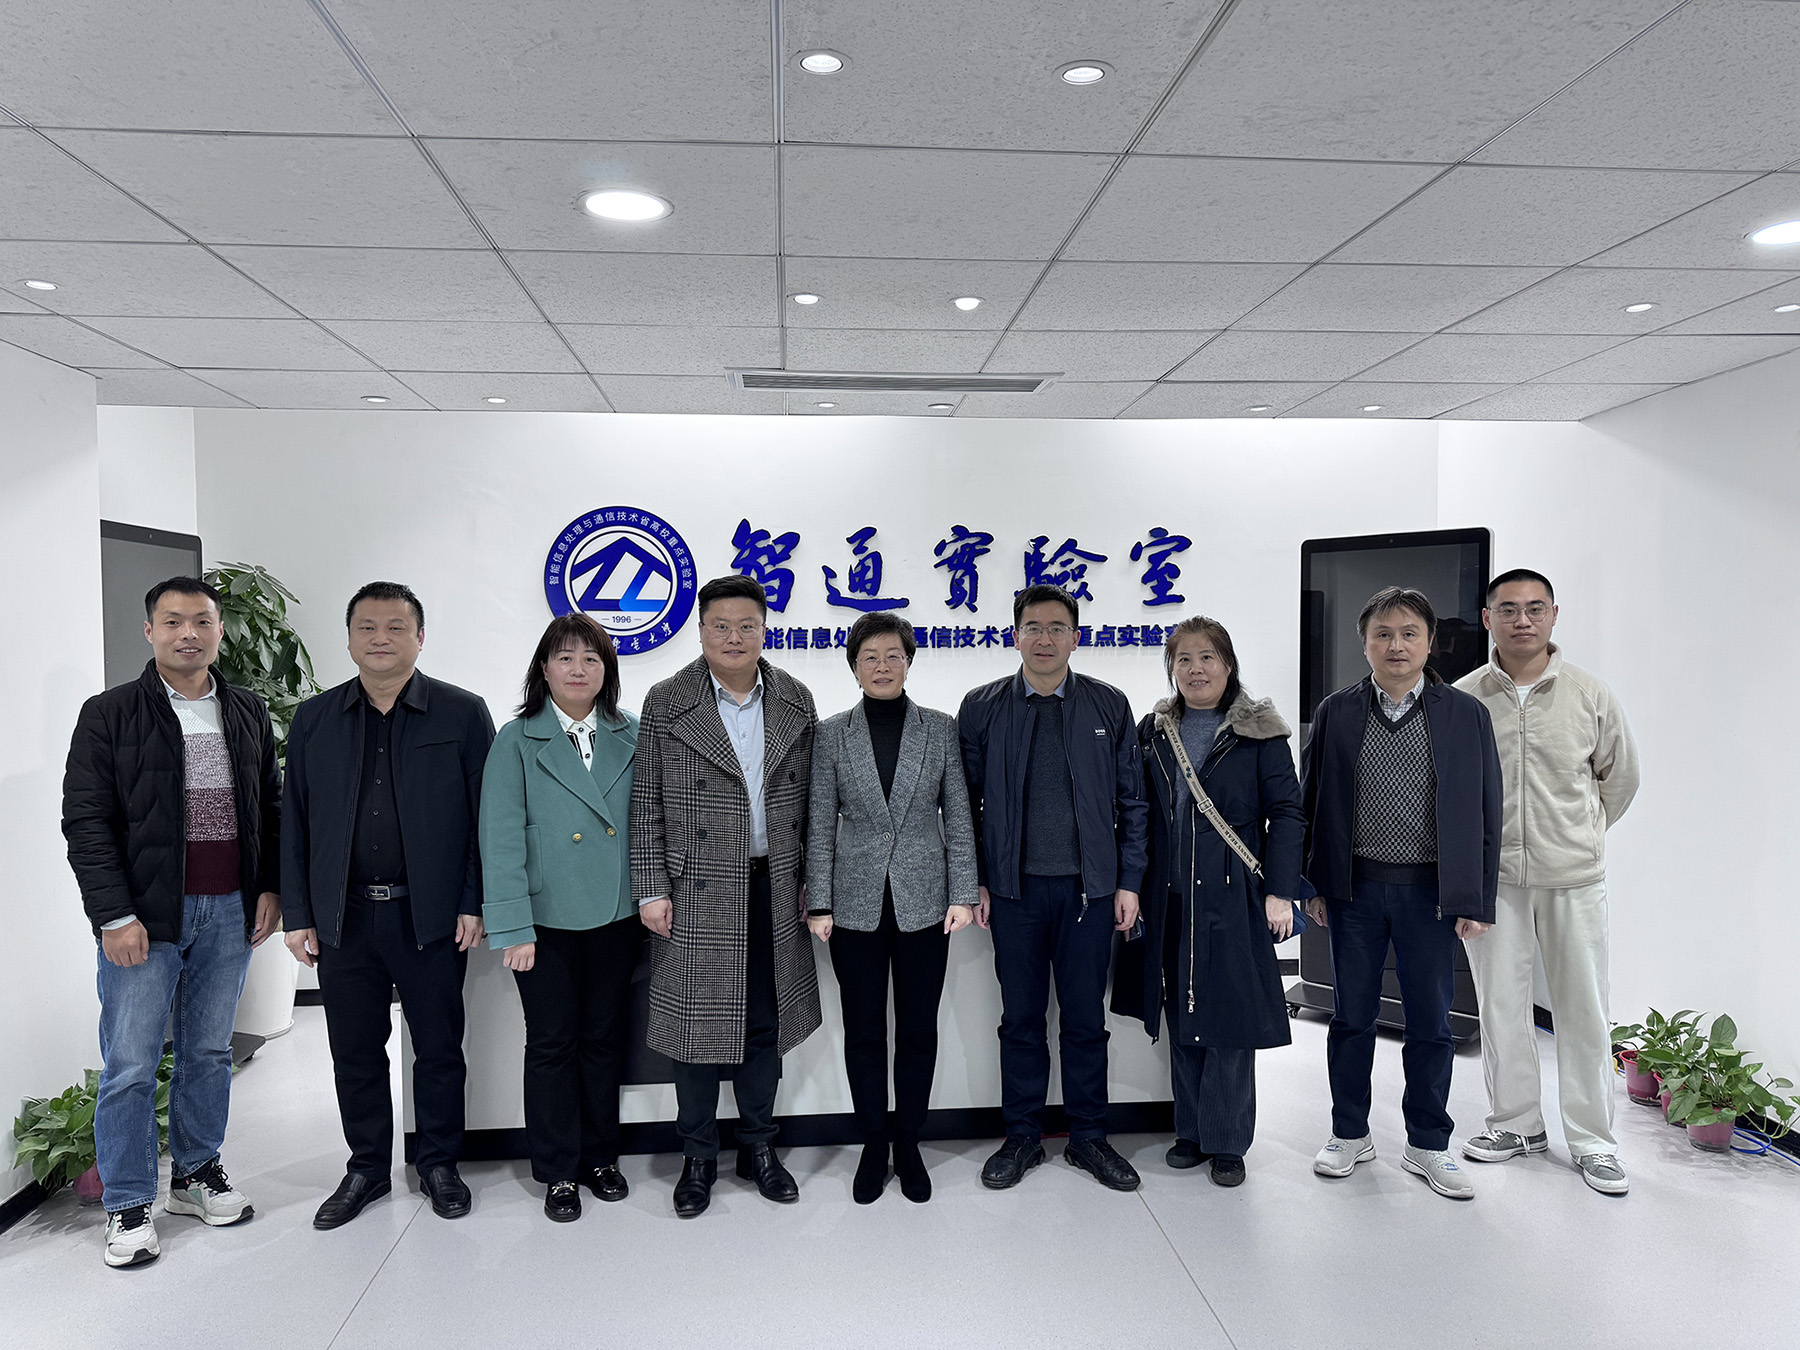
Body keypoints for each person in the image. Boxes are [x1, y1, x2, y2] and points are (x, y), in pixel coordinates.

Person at [62, 576, 283, 1268]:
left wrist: (270, 887)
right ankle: (128, 1203)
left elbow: (270, 805)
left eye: (202, 621)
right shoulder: (110, 714)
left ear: (218, 631)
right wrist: (114, 914)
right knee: (131, 1063)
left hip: (230, 909)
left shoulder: (245, 710)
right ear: (150, 631)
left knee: (209, 1051)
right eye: (174, 621)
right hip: (144, 918)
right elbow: (86, 822)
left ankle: (195, 1174)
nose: (189, 633)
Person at [281, 582, 496, 1229]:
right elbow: (294, 821)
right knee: (354, 1051)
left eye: (396, 627)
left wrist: (474, 900)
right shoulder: (315, 719)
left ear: (419, 638)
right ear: (349, 639)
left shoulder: (462, 713)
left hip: (430, 915)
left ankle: (439, 1163)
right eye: (368, 627)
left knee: (438, 1047)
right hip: (344, 917)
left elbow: (488, 819)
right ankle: (368, 1168)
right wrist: (299, 912)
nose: (381, 638)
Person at [629, 574, 821, 1218]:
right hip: (695, 888)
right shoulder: (667, 700)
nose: (734, 637)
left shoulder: (794, 698)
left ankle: (760, 1146)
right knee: (695, 1030)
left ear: (764, 630)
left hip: (774, 885)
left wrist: (813, 884)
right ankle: (698, 1156)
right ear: (701, 630)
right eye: (721, 626)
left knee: (765, 1024)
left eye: (747, 626)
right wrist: (651, 888)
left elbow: (814, 807)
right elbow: (646, 803)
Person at [1301, 586, 1501, 1200]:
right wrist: (1312, 883)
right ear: (1364, 643)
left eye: (1409, 633)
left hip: (1429, 895)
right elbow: (1311, 801)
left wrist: (1476, 898)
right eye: (1383, 634)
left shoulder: (1464, 714)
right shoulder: (1337, 711)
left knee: (1431, 1025)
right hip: (1354, 892)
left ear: (1430, 642)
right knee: (1351, 1019)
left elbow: (1487, 810)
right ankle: (1349, 1133)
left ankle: (1428, 1143)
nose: (1396, 645)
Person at [957, 584, 1149, 1192]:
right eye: (1034, 627)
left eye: (1057, 628)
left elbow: (1133, 802)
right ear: (1015, 635)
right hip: (1012, 893)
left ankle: (1089, 1137)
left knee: (1085, 1020)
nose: (1045, 638)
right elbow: (964, 806)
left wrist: (1128, 882)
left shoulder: (1108, 704)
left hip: (1090, 893)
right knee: (1020, 1019)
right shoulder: (982, 707)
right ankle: (1022, 1137)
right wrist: (977, 879)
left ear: (1075, 636)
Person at [1455, 569, 1640, 1195]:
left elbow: (1620, 778)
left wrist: (1580, 835)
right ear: (1488, 619)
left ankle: (1593, 1142)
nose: (1522, 620)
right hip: (1494, 880)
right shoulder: (1464, 698)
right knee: (1500, 1005)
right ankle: (1515, 1125)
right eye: (1508, 609)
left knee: (1583, 1009)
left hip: (1574, 879)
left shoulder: (1589, 694)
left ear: (1554, 615)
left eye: (1535, 608)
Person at [1115, 616, 1305, 1187]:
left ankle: (1227, 1141)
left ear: (1228, 664)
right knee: (1182, 1011)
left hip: (1234, 896)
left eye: (1207, 658)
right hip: (1170, 899)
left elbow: (1288, 815)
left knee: (1230, 1020)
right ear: (1172, 668)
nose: (1196, 670)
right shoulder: (1154, 732)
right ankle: (1191, 1131)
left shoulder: (1260, 732)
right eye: (1184, 659)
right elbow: (1138, 812)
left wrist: (1280, 891)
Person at [805, 612, 979, 1204]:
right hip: (852, 906)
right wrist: (819, 902)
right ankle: (873, 1142)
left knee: (918, 1030)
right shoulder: (831, 734)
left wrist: (962, 892)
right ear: (854, 666)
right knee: (863, 1032)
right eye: (870, 657)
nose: (882, 666)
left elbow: (958, 816)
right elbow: (819, 825)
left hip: (925, 903)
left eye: (893, 656)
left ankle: (909, 1142)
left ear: (909, 661)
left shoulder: (940, 729)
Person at [480, 614, 641, 1222]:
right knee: (551, 1044)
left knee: (603, 1040)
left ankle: (600, 1158)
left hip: (618, 913)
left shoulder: (633, 732)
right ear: (543, 669)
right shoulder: (516, 739)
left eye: (591, 659)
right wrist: (512, 926)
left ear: (607, 671)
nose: (578, 669)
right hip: (544, 919)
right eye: (566, 658)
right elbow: (500, 838)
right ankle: (557, 1170)